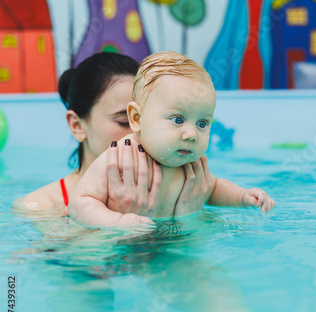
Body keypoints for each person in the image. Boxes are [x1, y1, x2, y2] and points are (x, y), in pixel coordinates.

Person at [69, 52, 275, 227]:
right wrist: (117, 221)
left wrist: (242, 197)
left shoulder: (188, 163)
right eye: (178, 120)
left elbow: (213, 188)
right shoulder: (118, 158)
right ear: (137, 118)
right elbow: (81, 203)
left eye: (202, 123)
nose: (191, 134)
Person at [18, 52, 213, 217]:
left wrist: (189, 217)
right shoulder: (40, 208)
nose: (141, 133)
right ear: (77, 125)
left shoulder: (192, 187)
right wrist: (123, 224)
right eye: (125, 121)